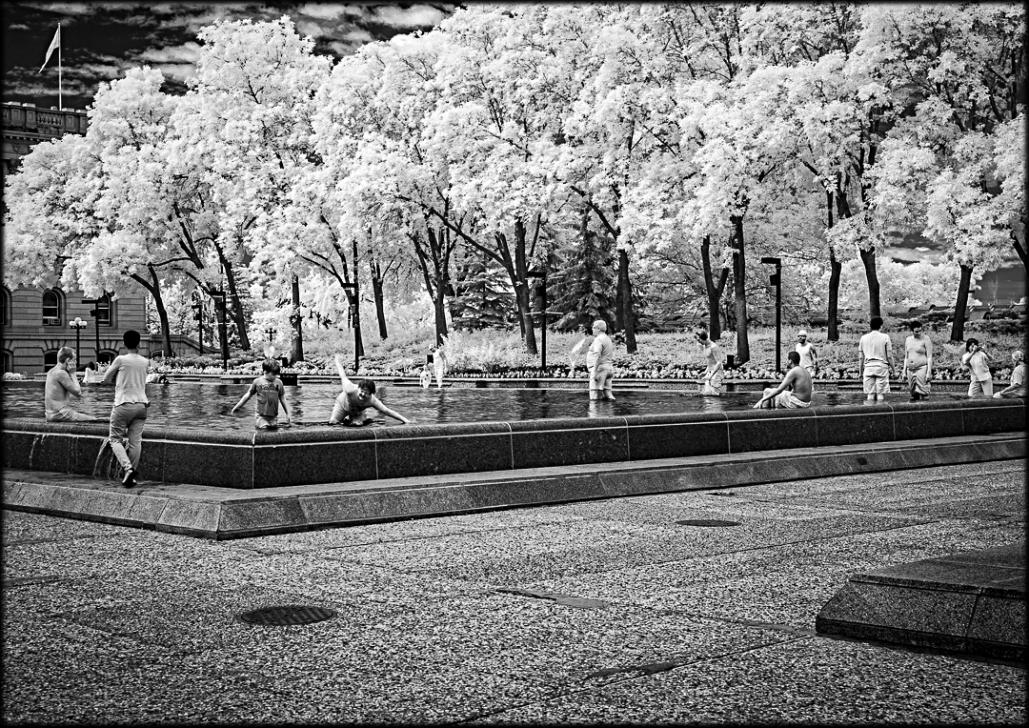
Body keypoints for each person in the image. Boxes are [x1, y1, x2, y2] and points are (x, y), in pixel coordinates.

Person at [99, 330, 149, 488]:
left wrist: (108, 381)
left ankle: (128, 469)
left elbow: (106, 378)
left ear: (124, 344)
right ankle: (132, 476)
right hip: (141, 406)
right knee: (135, 443)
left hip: (123, 404)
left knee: (114, 439)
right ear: (139, 344)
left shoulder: (120, 359)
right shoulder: (144, 361)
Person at [329, 353, 412, 425]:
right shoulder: (349, 388)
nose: (363, 394)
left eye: (367, 393)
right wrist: (337, 361)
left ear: (371, 394)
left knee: (357, 425)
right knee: (333, 422)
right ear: (358, 388)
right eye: (362, 391)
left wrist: (405, 420)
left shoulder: (372, 401)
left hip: (357, 411)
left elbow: (386, 411)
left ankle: (357, 419)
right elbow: (342, 375)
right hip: (342, 405)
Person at [231, 358, 292, 429]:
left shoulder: (279, 382)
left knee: (273, 432)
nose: (276, 376)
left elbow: (282, 398)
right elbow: (248, 395)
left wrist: (288, 413)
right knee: (265, 430)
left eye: (276, 374)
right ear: (265, 371)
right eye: (273, 374)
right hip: (261, 416)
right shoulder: (257, 382)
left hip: (273, 416)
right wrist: (237, 407)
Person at [44, 347, 96, 422]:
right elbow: (78, 392)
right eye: (74, 359)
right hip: (60, 413)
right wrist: (73, 373)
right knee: (94, 419)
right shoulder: (61, 373)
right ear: (68, 360)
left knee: (83, 415)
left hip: (50, 414)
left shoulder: (51, 372)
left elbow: (66, 396)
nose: (76, 362)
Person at [858, 316, 893, 402]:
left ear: (870, 326)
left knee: (870, 394)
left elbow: (861, 357)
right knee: (880, 394)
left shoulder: (863, 338)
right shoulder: (885, 337)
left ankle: (869, 413)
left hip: (868, 367)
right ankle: (881, 413)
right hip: (881, 367)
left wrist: (860, 372)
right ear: (881, 326)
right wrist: (894, 370)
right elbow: (889, 356)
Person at [901, 320, 933, 401]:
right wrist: (904, 371)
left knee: (923, 393)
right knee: (913, 394)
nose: (919, 333)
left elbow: (929, 356)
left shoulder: (926, 339)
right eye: (916, 331)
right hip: (910, 369)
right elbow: (906, 357)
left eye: (920, 331)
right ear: (912, 331)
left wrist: (929, 372)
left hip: (922, 368)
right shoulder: (908, 339)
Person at [585, 319, 615, 401]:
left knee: (594, 398)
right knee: (608, 397)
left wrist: (594, 371)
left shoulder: (599, 339)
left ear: (598, 329)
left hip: (600, 369)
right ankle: (608, 413)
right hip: (608, 369)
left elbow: (597, 355)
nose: (592, 329)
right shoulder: (607, 339)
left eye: (594, 327)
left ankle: (595, 413)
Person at [697, 329, 725, 396]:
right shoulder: (705, 346)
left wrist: (711, 375)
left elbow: (718, 362)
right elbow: (711, 361)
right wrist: (705, 372)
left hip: (717, 373)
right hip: (710, 372)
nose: (698, 342)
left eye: (699, 340)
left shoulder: (713, 347)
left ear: (703, 338)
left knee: (714, 395)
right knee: (707, 395)